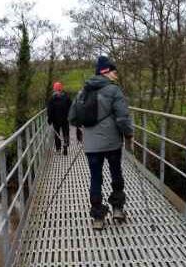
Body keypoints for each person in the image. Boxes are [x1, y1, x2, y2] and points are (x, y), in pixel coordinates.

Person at [69, 56, 134, 230]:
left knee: (95, 178)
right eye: (114, 71)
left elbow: (73, 118)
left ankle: (98, 218)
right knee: (116, 173)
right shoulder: (114, 90)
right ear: (106, 72)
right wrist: (129, 134)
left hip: (91, 146)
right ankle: (118, 209)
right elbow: (122, 117)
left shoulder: (83, 91)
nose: (116, 75)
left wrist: (87, 129)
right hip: (112, 143)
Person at [47, 81, 72, 155]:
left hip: (55, 120)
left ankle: (58, 149)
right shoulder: (66, 97)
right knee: (66, 133)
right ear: (61, 88)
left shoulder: (52, 99)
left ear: (54, 89)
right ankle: (65, 145)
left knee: (57, 134)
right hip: (65, 119)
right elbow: (71, 107)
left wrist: (49, 120)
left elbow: (50, 110)